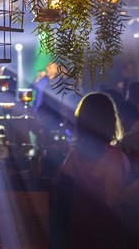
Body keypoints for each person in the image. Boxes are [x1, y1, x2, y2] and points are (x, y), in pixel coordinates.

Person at [58, 91, 132, 249]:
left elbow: (63, 176)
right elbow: (112, 200)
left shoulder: (76, 151)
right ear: (110, 119)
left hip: (81, 224)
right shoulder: (111, 154)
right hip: (105, 229)